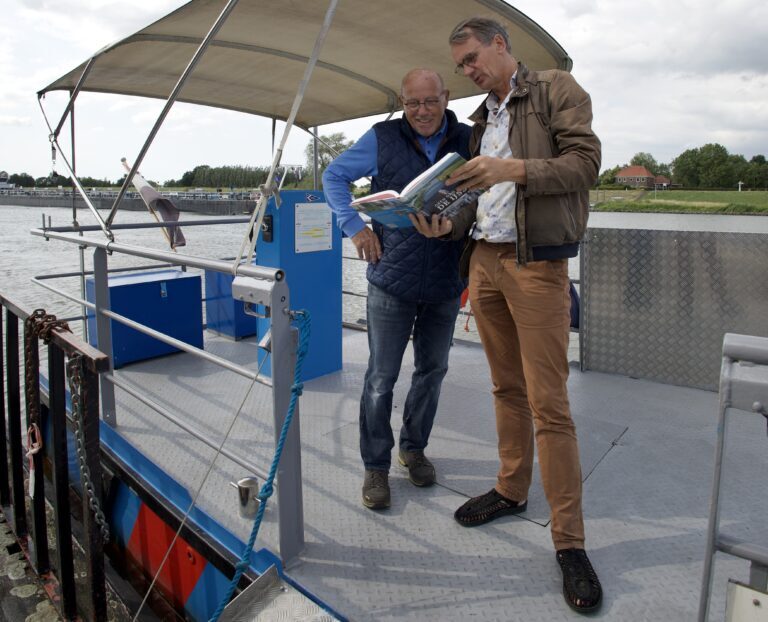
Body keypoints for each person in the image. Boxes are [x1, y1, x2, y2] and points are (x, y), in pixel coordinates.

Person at [410, 18, 603, 614]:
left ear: (500, 44)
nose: (468, 71)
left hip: (536, 266)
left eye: (472, 58)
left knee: (550, 403)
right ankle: (512, 490)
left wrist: (511, 168)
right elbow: (478, 201)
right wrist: (446, 223)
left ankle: (569, 542)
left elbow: (585, 164)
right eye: (461, 65)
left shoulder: (555, 90)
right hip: (484, 264)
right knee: (505, 388)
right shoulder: (478, 120)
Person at [322, 68, 471, 510]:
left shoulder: (469, 139)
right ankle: (376, 466)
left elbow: (484, 193)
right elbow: (334, 176)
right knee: (380, 379)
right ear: (402, 101)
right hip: (391, 276)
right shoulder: (381, 137)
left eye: (430, 101)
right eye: (412, 103)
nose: (421, 111)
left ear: (446, 97)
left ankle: (414, 448)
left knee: (433, 371)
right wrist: (354, 227)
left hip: (446, 278)